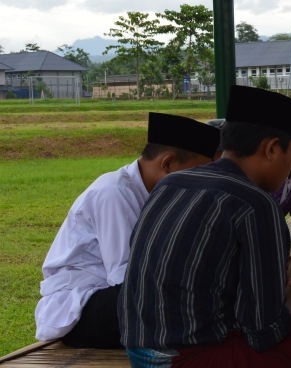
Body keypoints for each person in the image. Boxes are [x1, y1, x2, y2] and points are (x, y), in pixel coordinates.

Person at [119, 86, 291, 368]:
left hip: (138, 351)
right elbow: (265, 335)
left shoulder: (172, 183)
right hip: (186, 363)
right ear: (272, 149)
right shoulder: (255, 203)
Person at [35, 113, 219, 349]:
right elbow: (127, 276)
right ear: (168, 163)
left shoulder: (158, 193)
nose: (202, 182)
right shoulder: (114, 193)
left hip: (117, 298)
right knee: (158, 293)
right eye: (198, 173)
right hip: (81, 309)